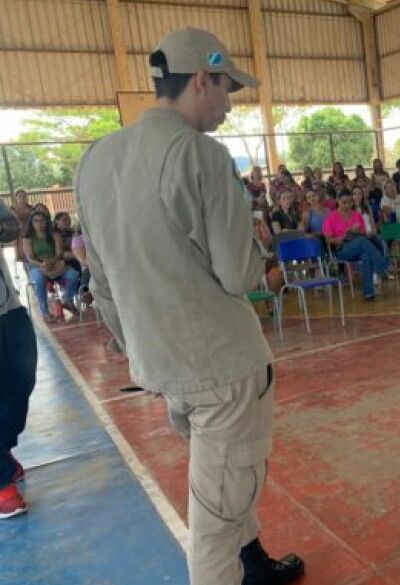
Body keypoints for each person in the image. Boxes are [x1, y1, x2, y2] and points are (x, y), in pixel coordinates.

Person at [73, 28, 304, 585]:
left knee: (223, 482)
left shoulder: (97, 159)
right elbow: (239, 274)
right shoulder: (200, 154)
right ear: (203, 78)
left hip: (160, 365)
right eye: (227, 88)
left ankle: (255, 566)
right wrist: (255, 246)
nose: (229, 103)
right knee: (214, 521)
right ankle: (236, 566)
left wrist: (137, 347)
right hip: (222, 366)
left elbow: (100, 281)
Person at [0, 198, 37, 520]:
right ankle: (1, 486)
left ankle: (3, 447)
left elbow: (9, 228)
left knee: (21, 385)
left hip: (8, 312)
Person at [323, 192, 392, 301]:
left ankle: (368, 293)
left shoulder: (357, 215)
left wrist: (356, 232)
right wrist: (344, 236)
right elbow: (328, 239)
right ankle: (383, 266)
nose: (347, 205)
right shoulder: (331, 217)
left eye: (350, 202)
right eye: (344, 202)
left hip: (359, 246)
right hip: (342, 249)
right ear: (338, 201)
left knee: (366, 256)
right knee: (361, 241)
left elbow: (364, 234)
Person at [23, 210, 81, 322]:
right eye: (36, 221)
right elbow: (30, 258)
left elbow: (59, 252)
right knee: (39, 280)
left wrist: (51, 261)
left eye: (42, 221)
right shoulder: (28, 238)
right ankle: (45, 313)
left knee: (73, 275)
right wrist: (42, 264)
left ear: (46, 222)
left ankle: (67, 299)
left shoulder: (54, 234)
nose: (39, 223)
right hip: (37, 265)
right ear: (32, 223)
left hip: (55, 262)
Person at [11, 189, 34, 264]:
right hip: (19, 233)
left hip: (30, 232)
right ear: (16, 197)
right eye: (20, 196)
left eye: (24, 196)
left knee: (32, 255)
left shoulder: (31, 208)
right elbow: (15, 221)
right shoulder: (12, 209)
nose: (22, 197)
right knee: (23, 257)